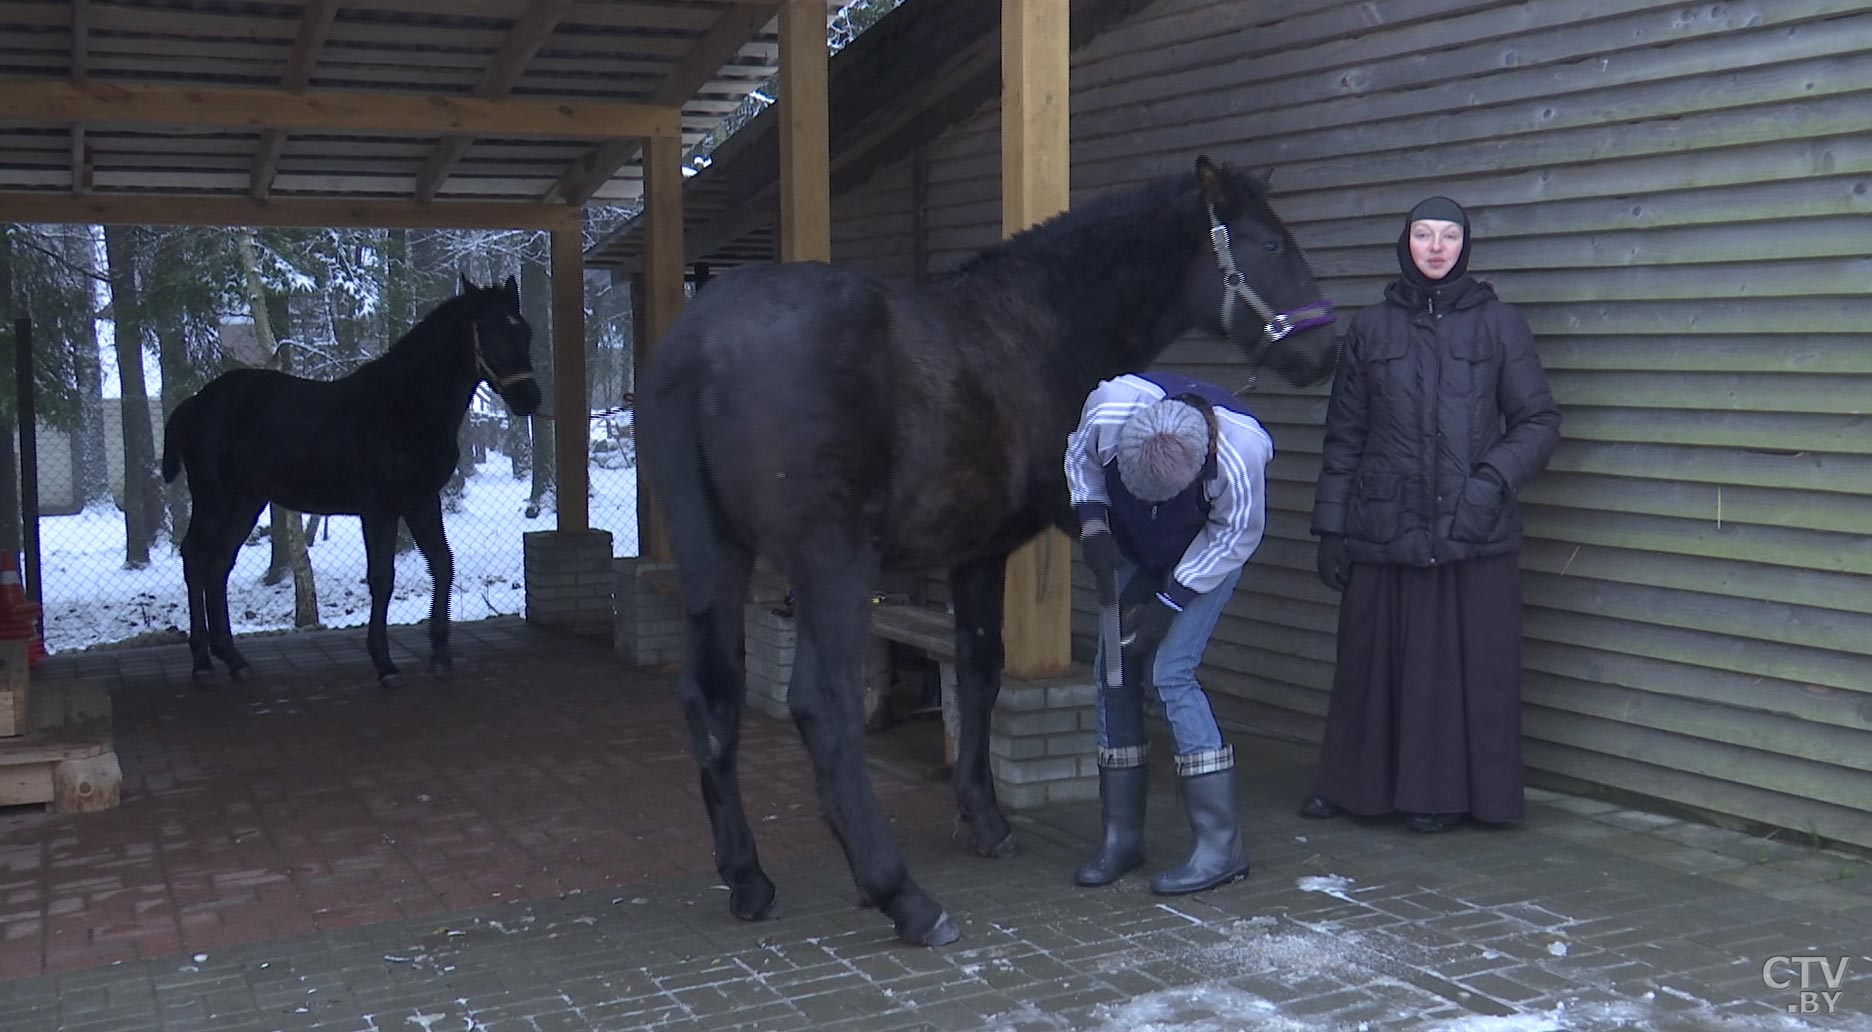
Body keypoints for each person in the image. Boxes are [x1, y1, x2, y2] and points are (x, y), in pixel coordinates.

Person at [1304, 196, 1561, 833]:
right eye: (1424, 234)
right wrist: (1331, 528)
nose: (1437, 247)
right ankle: (1355, 789)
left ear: (1465, 246)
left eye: (1449, 236)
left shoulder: (1500, 325)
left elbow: (1538, 421)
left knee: (1461, 668)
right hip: (1385, 525)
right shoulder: (1370, 329)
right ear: (1406, 243)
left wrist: (1490, 484)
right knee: (1372, 666)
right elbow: (1345, 436)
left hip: (1472, 528)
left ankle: (1444, 796)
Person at [1065, 370, 1271, 894]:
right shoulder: (1109, 408)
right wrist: (1093, 525)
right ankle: (1122, 837)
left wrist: (1168, 602)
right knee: (1112, 666)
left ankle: (1221, 848)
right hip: (1136, 544)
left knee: (1171, 672)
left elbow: (1236, 535)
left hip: (1206, 549)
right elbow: (1079, 459)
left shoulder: (1240, 452)